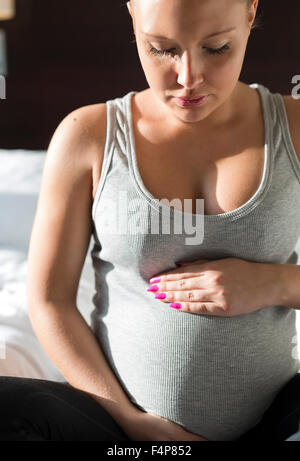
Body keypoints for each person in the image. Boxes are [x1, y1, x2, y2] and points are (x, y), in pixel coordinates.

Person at [1, 0, 300, 441]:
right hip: (121, 430)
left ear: (251, 13)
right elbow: (51, 301)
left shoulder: (294, 127)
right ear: (133, 17)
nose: (187, 77)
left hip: (274, 425)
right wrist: (136, 425)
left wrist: (275, 284)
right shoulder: (87, 136)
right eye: (161, 49)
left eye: (217, 47)